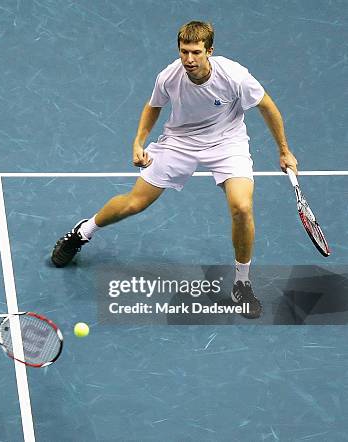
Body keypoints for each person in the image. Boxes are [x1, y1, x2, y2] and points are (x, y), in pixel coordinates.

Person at [51, 21, 298, 319]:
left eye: (195, 52)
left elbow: (267, 106)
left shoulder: (235, 76)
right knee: (135, 202)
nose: (189, 60)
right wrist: (138, 142)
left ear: (210, 51)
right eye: (184, 52)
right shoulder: (169, 76)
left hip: (227, 143)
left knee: (242, 207)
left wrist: (284, 150)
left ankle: (242, 283)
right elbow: (153, 106)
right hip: (179, 142)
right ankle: (82, 232)